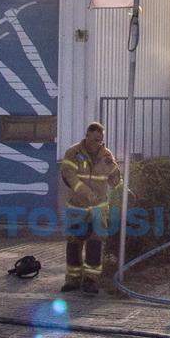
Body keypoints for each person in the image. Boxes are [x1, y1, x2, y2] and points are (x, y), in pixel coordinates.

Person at [60, 122, 121, 294]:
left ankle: (91, 281)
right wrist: (87, 193)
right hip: (77, 207)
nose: (97, 143)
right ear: (87, 135)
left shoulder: (106, 154)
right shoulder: (73, 153)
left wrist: (119, 178)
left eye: (100, 140)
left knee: (95, 243)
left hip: (98, 209)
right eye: (94, 139)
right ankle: (72, 280)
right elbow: (69, 176)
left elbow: (115, 179)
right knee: (74, 243)